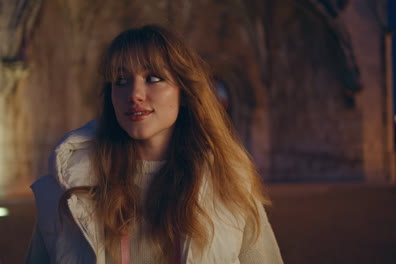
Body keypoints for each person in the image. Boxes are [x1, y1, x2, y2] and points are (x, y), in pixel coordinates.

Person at [26, 24, 283, 264]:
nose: (134, 94)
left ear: (184, 93)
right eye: (121, 81)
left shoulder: (230, 182)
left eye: (153, 78)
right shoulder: (64, 188)